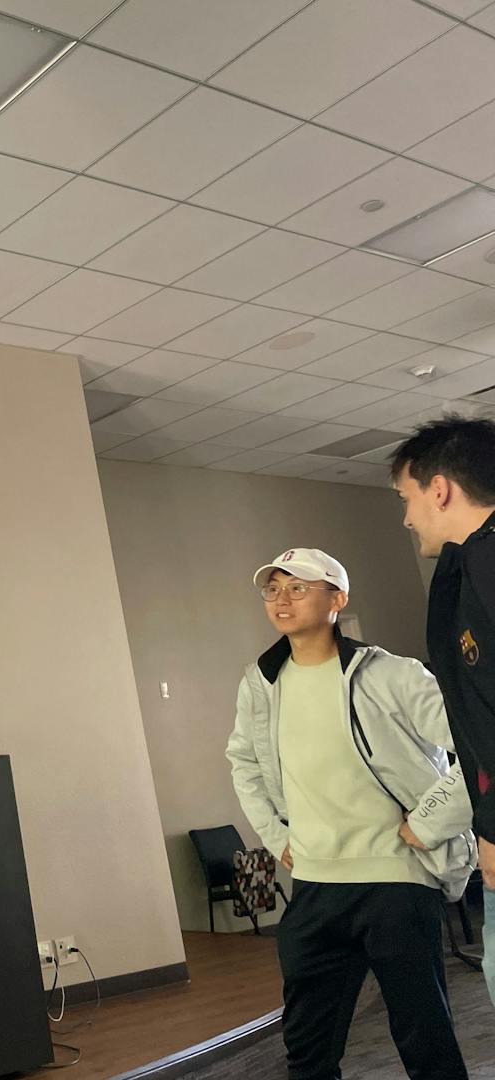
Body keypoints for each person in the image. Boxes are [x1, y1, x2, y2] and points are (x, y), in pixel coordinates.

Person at [228, 548, 473, 1080]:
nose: (282, 599)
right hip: (315, 886)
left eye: (298, 588)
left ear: (337, 599)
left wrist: (430, 821)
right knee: (308, 1052)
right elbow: (243, 764)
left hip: (396, 881)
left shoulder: (393, 675)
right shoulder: (261, 683)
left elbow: (478, 746)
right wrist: (275, 837)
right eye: (273, 588)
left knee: (425, 1039)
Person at [390, 416, 495, 1007]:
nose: (407, 518)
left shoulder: (487, 564)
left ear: (439, 489)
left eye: (406, 498)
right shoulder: (468, 568)